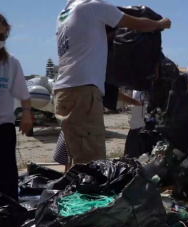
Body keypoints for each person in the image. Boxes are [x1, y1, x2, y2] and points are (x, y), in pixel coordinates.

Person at [54, 0, 171, 168]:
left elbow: (92, 38)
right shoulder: (91, 5)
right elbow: (137, 24)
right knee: (92, 164)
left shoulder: (64, 15)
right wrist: (160, 24)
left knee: (75, 159)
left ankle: (72, 192)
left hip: (63, 91)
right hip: (83, 92)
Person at [0, 12, 33, 200]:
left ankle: (4, 213)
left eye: (2, 36)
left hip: (2, 124)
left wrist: (27, 113)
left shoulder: (11, 63)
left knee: (4, 178)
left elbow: (23, 94)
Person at [54, 91, 142, 171]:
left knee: (72, 159)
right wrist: (134, 102)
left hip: (70, 115)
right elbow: (109, 89)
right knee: (90, 164)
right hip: (83, 119)